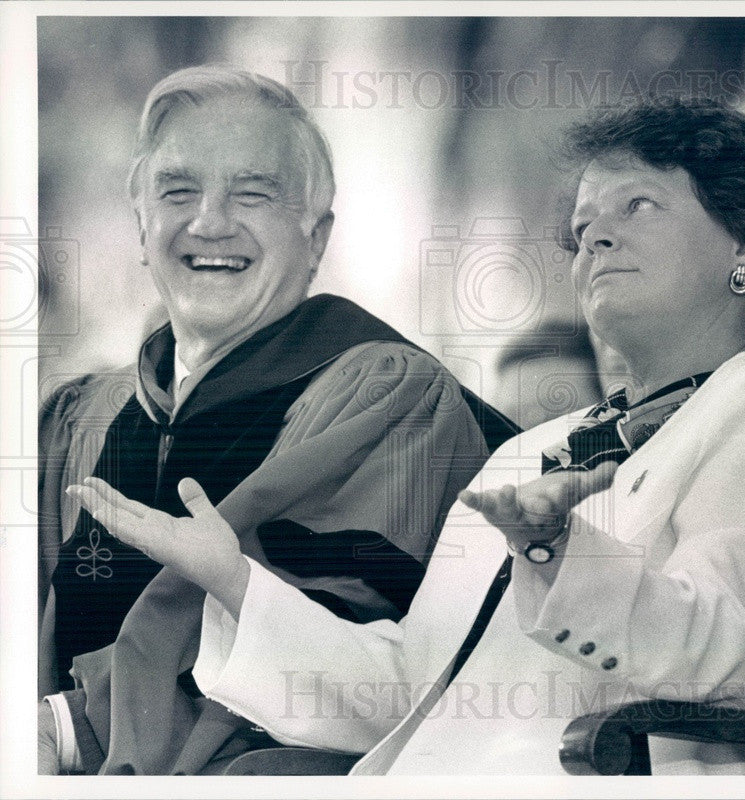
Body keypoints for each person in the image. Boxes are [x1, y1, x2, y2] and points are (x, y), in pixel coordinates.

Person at [73, 98, 745, 775]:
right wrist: (236, 582)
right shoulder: (536, 449)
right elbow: (411, 688)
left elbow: (720, 651)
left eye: (638, 207)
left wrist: (557, 550)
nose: (594, 239)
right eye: (583, 225)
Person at [37, 64, 512, 775]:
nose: (209, 222)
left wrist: (67, 727)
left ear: (315, 237)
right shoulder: (81, 418)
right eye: (178, 191)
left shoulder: (387, 395)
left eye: (252, 195)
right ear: (141, 224)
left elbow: (349, 684)